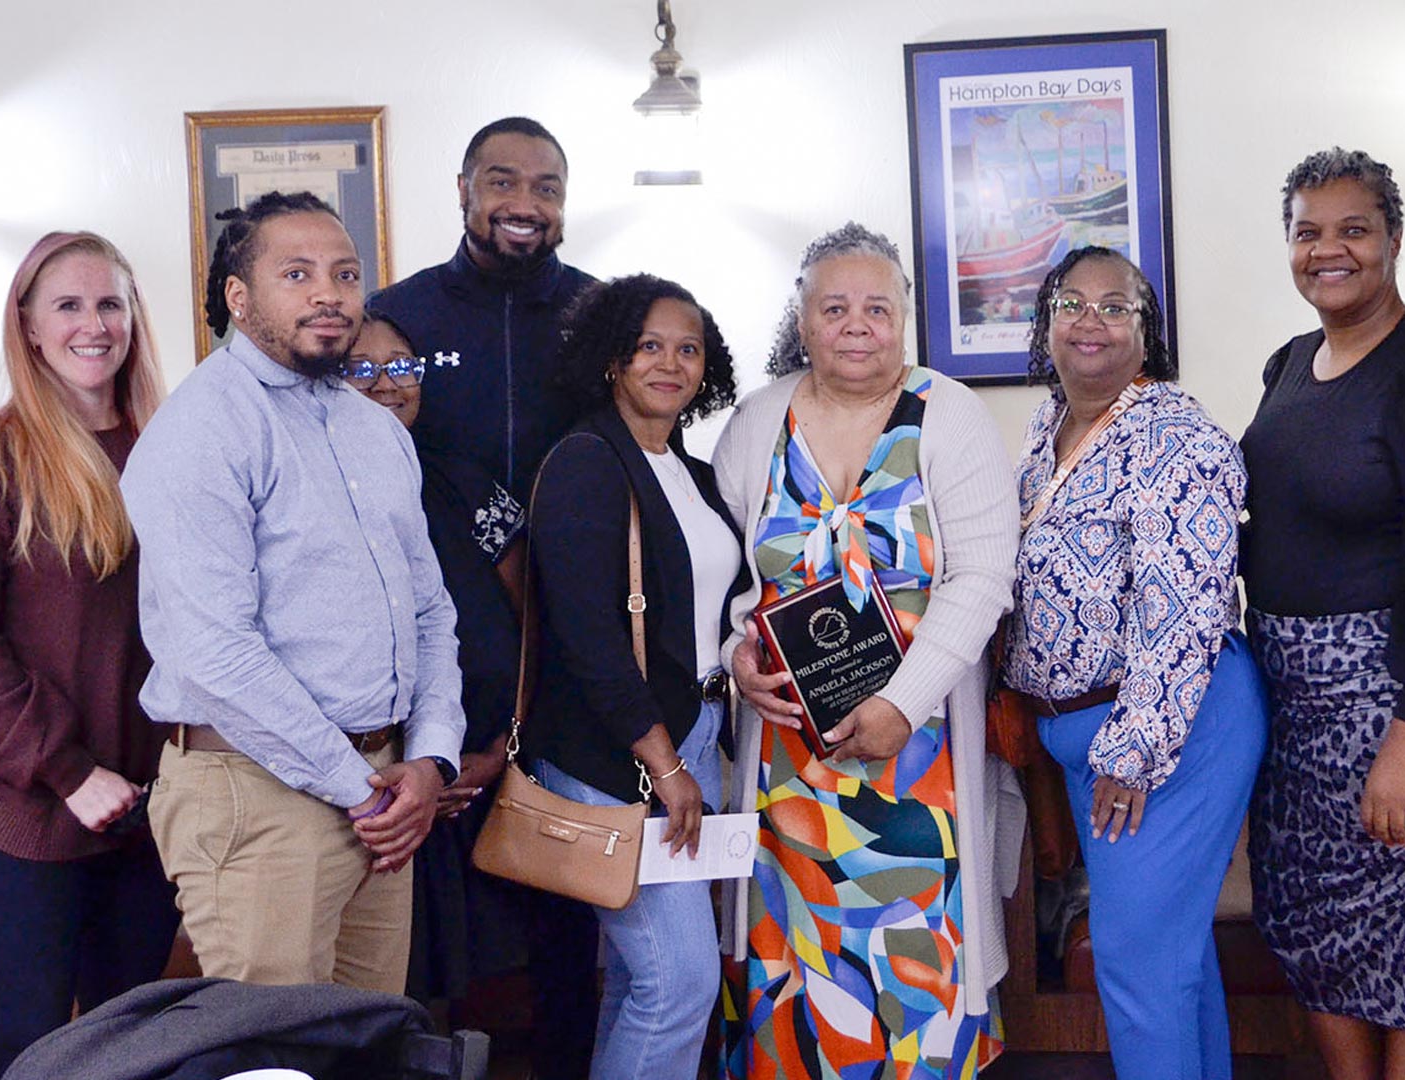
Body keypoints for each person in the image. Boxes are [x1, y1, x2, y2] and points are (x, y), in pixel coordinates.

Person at [122, 191, 465, 995]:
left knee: (368, 1044)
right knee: (276, 1058)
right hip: (259, 792)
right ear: (239, 300)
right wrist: (365, 793)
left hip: (383, 787)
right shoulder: (201, 430)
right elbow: (216, 651)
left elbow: (429, 612)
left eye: (345, 275)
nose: (329, 294)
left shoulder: (374, 429)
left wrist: (429, 759)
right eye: (298, 273)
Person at [714, 222, 1021, 1079]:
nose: (856, 324)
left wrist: (899, 704)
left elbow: (985, 578)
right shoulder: (756, 421)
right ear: (804, 321)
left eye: (876, 308)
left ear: (905, 321)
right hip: (787, 774)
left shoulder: (948, 416)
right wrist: (740, 659)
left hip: (917, 768)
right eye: (835, 307)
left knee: (912, 985)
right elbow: (727, 580)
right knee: (795, 990)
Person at [1239, 148, 1405, 1080]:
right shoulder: (1287, 365)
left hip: (1401, 695)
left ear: (1394, 239)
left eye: (1353, 228)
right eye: (1308, 232)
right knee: (1312, 914)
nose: (1329, 250)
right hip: (1295, 700)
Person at [1001, 246, 1268, 1079]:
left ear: (1146, 333)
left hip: (1170, 733)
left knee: (1134, 963)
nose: (1091, 319)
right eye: (1072, 302)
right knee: (1169, 962)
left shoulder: (1174, 436)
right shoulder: (1051, 429)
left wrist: (1135, 751)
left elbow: (1184, 607)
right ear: (1045, 324)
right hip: (1088, 736)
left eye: (1116, 306)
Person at [0, 230, 172, 1080]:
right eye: (67, 304)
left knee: (125, 1046)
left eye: (110, 303)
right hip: (28, 811)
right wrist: (67, 770)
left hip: (150, 810)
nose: (92, 324)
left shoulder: (169, 453)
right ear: (26, 325)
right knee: (21, 1051)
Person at [366, 116, 597, 1071]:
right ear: (463, 187)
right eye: (502, 181)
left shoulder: (599, 313)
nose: (522, 204)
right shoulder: (401, 315)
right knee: (426, 925)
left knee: (564, 908)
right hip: (418, 666)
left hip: (576, 652)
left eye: (544, 186)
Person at [525, 274, 740, 1079]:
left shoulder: (688, 469)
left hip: (695, 733)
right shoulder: (588, 460)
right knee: (679, 979)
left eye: (688, 349)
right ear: (613, 358)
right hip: (616, 752)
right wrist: (666, 763)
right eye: (649, 345)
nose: (670, 363)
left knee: (638, 980)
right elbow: (589, 638)